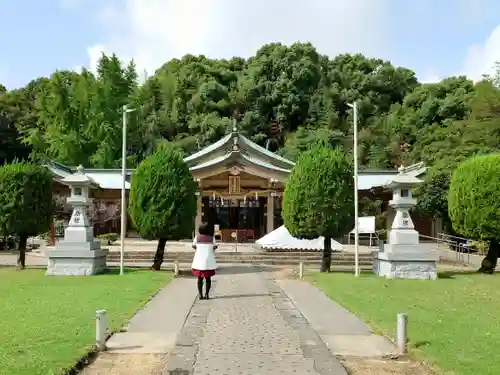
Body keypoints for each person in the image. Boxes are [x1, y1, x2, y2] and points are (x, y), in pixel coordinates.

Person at [191, 222, 218, 300]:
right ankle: (207, 294)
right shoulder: (212, 238)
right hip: (208, 261)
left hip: (199, 260)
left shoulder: (197, 238)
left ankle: (200, 295)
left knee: (199, 279)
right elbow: (215, 247)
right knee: (208, 279)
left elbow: (193, 246)